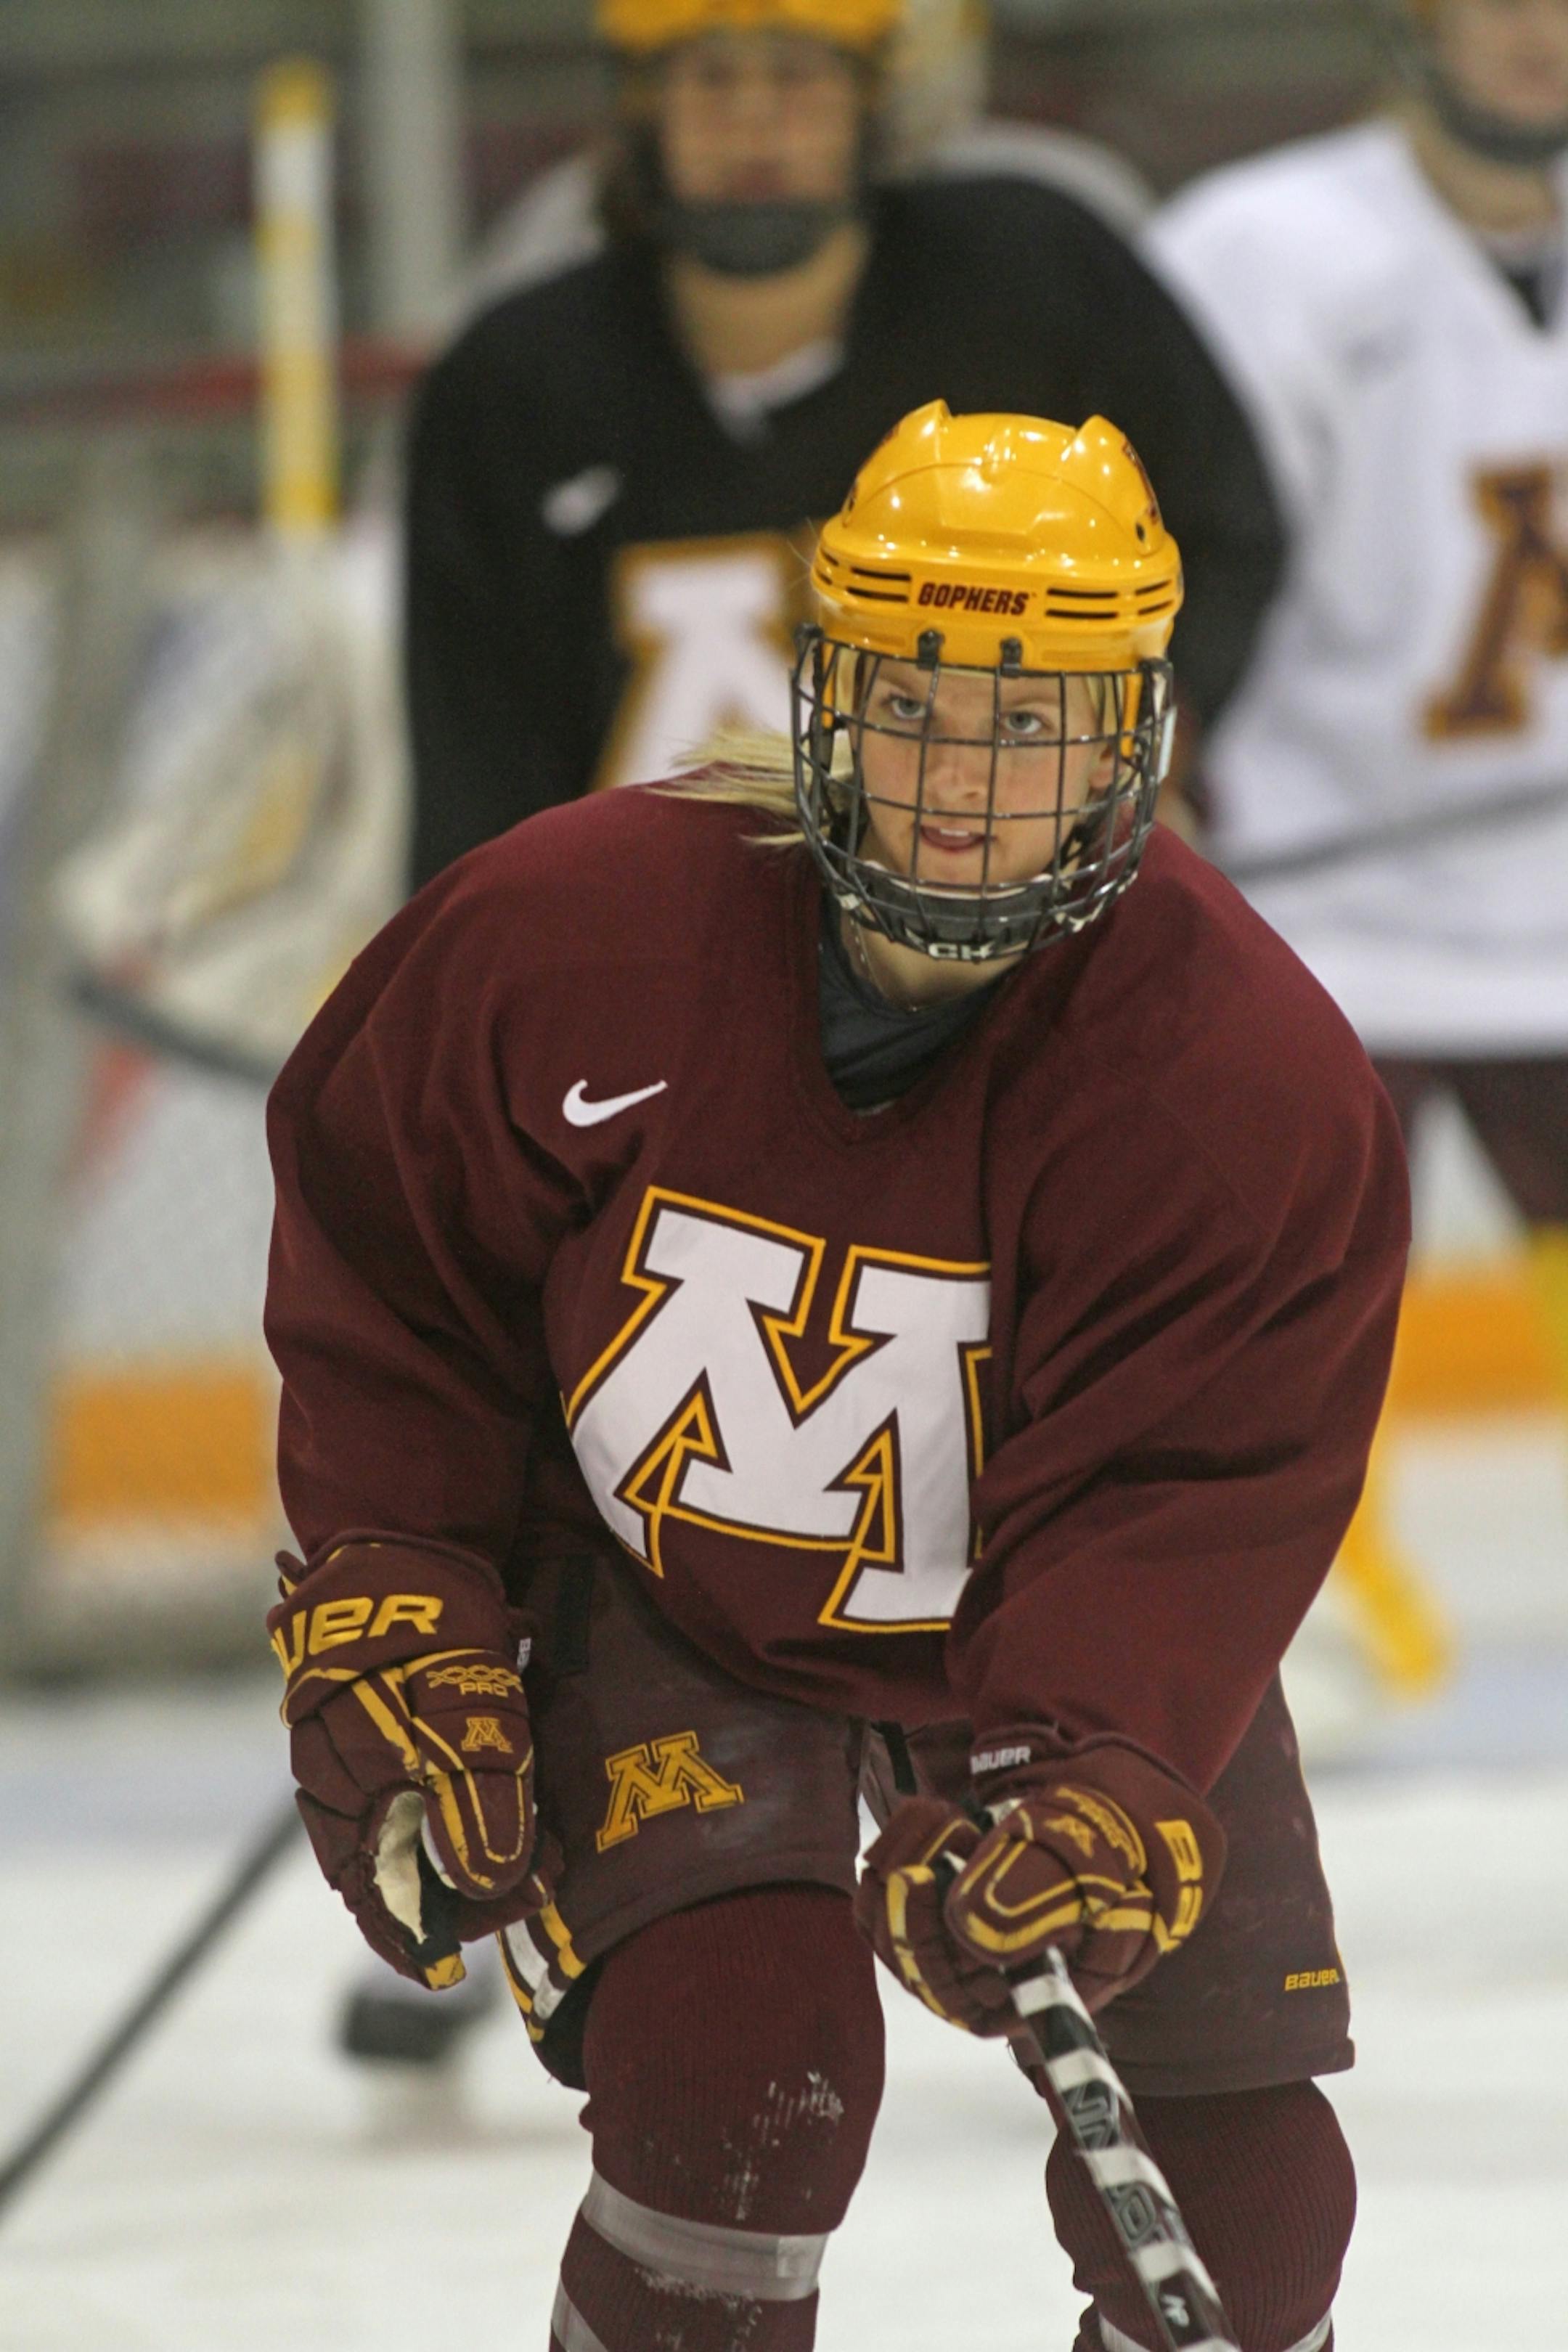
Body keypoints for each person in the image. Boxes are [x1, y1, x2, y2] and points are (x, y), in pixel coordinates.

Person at [265, 401, 1407, 2352]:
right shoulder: (564, 933)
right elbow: (400, 1280)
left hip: (1046, 1610)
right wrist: (409, 1592)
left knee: (1253, 2202)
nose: (959, 779)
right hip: (662, 1579)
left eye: (1028, 722)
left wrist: (1097, 1771)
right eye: (912, 705)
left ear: (1130, 739)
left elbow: (1187, 1488)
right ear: (823, 694)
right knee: (740, 2090)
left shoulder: (1240, 1084)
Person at [404, 0, 1283, 889]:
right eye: (710, 78)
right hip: (653, 935)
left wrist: (1143, 757)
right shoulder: (512, 381)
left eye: (797, 75)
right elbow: (474, 756)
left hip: (1002, 914)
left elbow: (1225, 527)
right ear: (639, 103)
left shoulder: (1035, 282)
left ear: (873, 93)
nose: (754, 123)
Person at [1146, 0, 1568, 1711]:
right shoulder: (1260, 254)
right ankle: (1287, 1655)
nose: (1539, 33)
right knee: (1270, 1345)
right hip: (1322, 909)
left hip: (1557, 898)